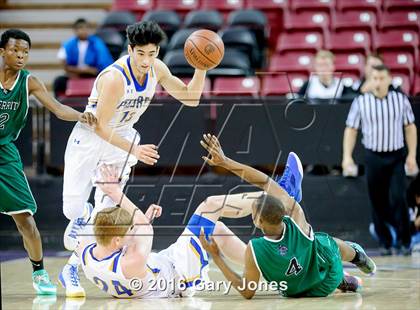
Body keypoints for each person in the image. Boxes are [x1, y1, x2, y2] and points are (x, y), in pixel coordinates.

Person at [59, 21, 209, 297]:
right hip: (91, 138)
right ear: (130, 50)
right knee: (73, 209)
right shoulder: (114, 78)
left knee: (109, 214)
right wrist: (134, 150)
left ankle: (70, 268)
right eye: (140, 53)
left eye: (152, 53)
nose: (146, 60)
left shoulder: (157, 68)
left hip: (122, 139)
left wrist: (201, 68)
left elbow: (191, 99)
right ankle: (81, 215)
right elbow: (100, 126)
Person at [199, 134, 376, 299]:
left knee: (319, 248)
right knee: (328, 244)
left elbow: (247, 292)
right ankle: (358, 258)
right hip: (327, 280)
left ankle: (344, 281)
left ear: (258, 221)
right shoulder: (295, 215)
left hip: (298, 292)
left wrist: (217, 256)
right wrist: (226, 162)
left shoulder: (255, 249)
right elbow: (264, 181)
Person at [0, 29, 97, 295]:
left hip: (5, 154)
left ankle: (39, 273)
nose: (21, 56)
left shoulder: (28, 81)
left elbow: (56, 108)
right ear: (2, 52)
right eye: (15, 50)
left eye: (25, 52)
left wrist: (80, 116)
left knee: (26, 220)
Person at [75, 164, 263, 298]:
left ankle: (263, 265)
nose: (132, 230)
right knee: (210, 206)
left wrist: (140, 224)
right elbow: (143, 226)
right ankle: (276, 196)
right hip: (179, 273)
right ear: (116, 240)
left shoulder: (85, 251)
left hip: (161, 269)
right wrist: (115, 192)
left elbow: (133, 228)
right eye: (129, 230)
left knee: (216, 230)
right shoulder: (133, 260)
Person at [342, 64, 418, 255]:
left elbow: (410, 127)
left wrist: (412, 155)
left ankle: (404, 240)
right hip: (373, 156)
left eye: (382, 78)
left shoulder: (400, 100)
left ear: (389, 80)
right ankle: (385, 242)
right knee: (377, 201)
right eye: (374, 78)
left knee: (399, 197)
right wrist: (346, 157)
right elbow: (351, 129)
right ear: (371, 80)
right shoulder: (361, 102)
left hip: (396, 156)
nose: (378, 82)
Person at [53, 18, 114, 96]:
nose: (84, 30)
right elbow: (65, 64)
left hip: (93, 75)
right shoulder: (68, 44)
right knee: (58, 82)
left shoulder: (97, 43)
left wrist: (91, 71)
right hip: (74, 74)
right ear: (75, 30)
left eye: (86, 28)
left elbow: (103, 63)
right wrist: (79, 71)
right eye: (80, 28)